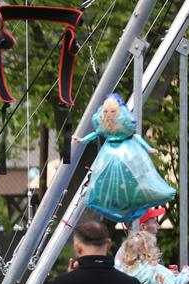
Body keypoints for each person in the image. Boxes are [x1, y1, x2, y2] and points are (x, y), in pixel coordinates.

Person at [73, 94, 175, 222]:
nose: (109, 114)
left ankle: (139, 195)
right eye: (106, 111)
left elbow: (135, 137)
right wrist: (82, 140)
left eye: (112, 111)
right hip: (109, 153)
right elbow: (95, 134)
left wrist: (149, 149)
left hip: (126, 152)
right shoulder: (104, 126)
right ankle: (108, 198)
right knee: (104, 178)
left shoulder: (125, 125)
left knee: (135, 173)